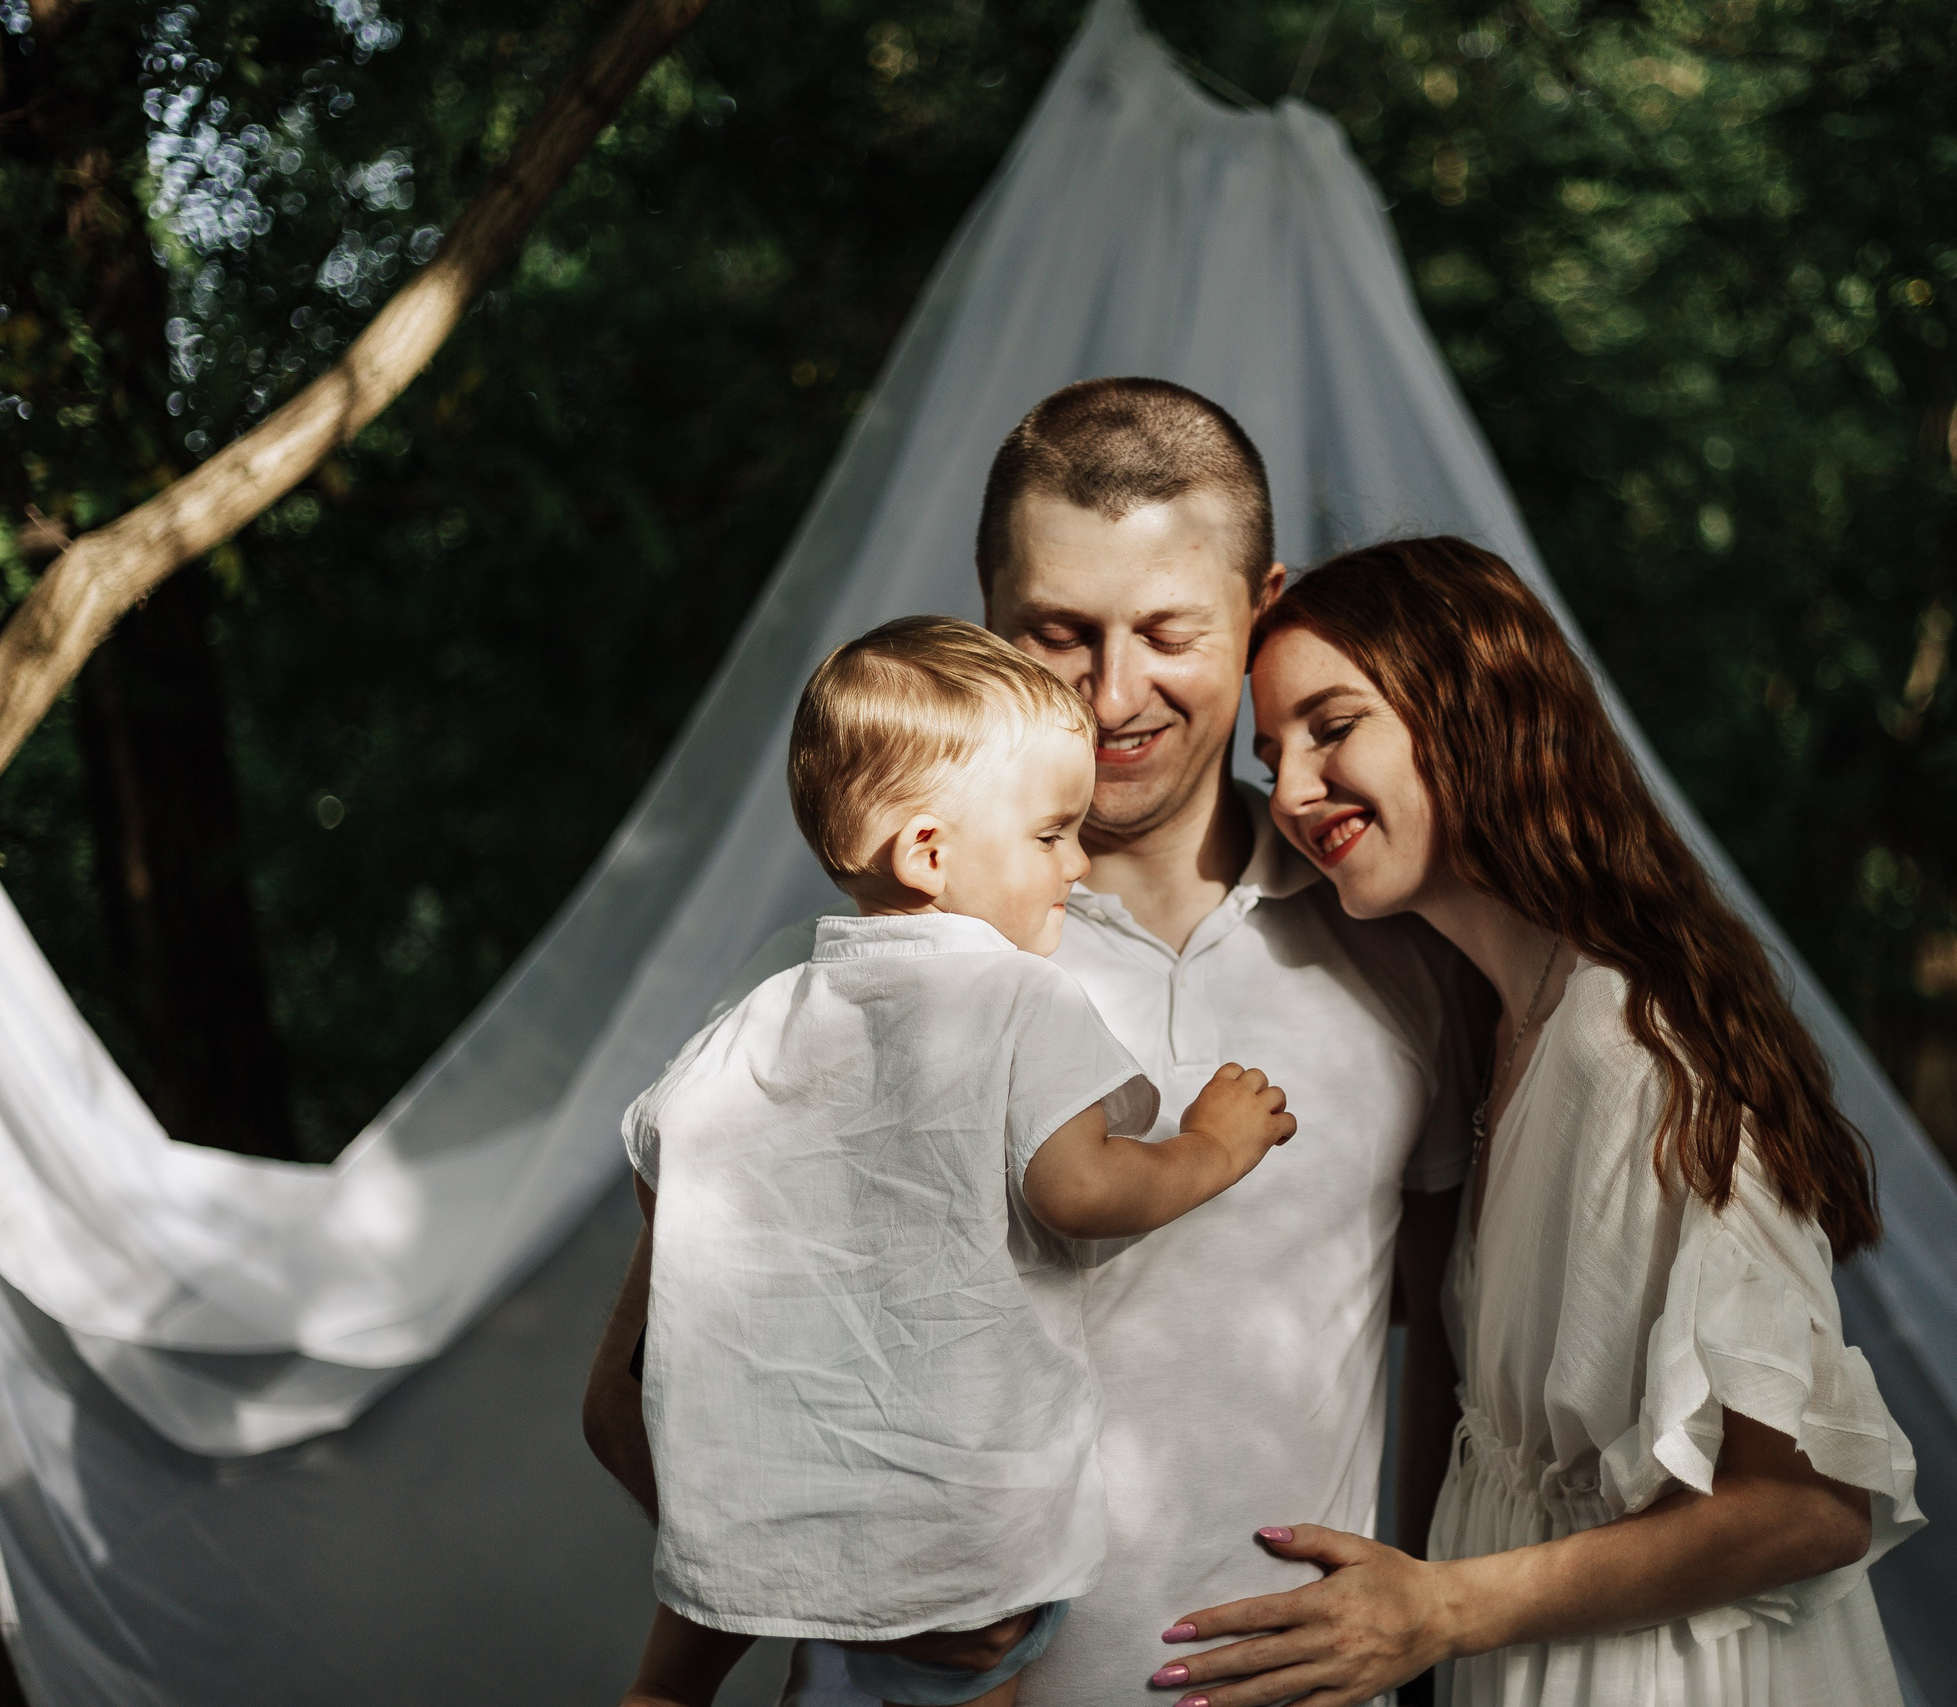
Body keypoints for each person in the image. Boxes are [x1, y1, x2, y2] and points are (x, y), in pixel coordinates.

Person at [583, 380, 1488, 1705]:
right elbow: (635, 1394)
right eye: (1057, 631)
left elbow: (1447, 1365)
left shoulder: (1398, 946)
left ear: (1261, 610)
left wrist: (1418, 1630)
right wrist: (869, 1596)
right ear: (985, 614)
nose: (1115, 693)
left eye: (1167, 630)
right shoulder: (854, 980)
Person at [1153, 537, 1923, 1707]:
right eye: (1271, 753)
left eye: (1332, 725)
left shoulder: (1640, 1040)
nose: (1295, 791)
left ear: (1471, 709)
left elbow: (1810, 1503)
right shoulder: (1503, 1021)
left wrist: (1443, 1608)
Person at [615, 617, 1299, 1707]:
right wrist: (1211, 1146)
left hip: (764, 1516)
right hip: (953, 1547)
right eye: (1050, 835)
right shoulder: (1013, 994)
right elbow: (1079, 1191)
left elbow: (662, 1154)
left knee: (696, 1677)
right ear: (929, 853)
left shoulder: (767, 1002)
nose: (1078, 868)